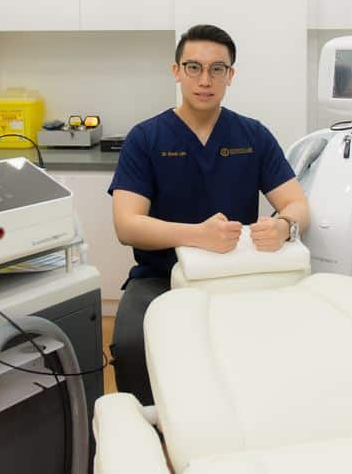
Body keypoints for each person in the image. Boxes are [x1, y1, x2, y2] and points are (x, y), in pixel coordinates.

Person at [107, 24, 310, 405]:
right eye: (194, 67)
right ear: (176, 71)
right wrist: (196, 235)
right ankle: (153, 428)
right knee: (133, 344)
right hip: (160, 277)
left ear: (230, 75)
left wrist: (284, 226)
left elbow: (298, 205)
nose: (205, 80)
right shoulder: (146, 139)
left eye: (217, 69)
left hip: (238, 274)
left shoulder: (253, 136)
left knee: (273, 343)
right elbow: (127, 225)